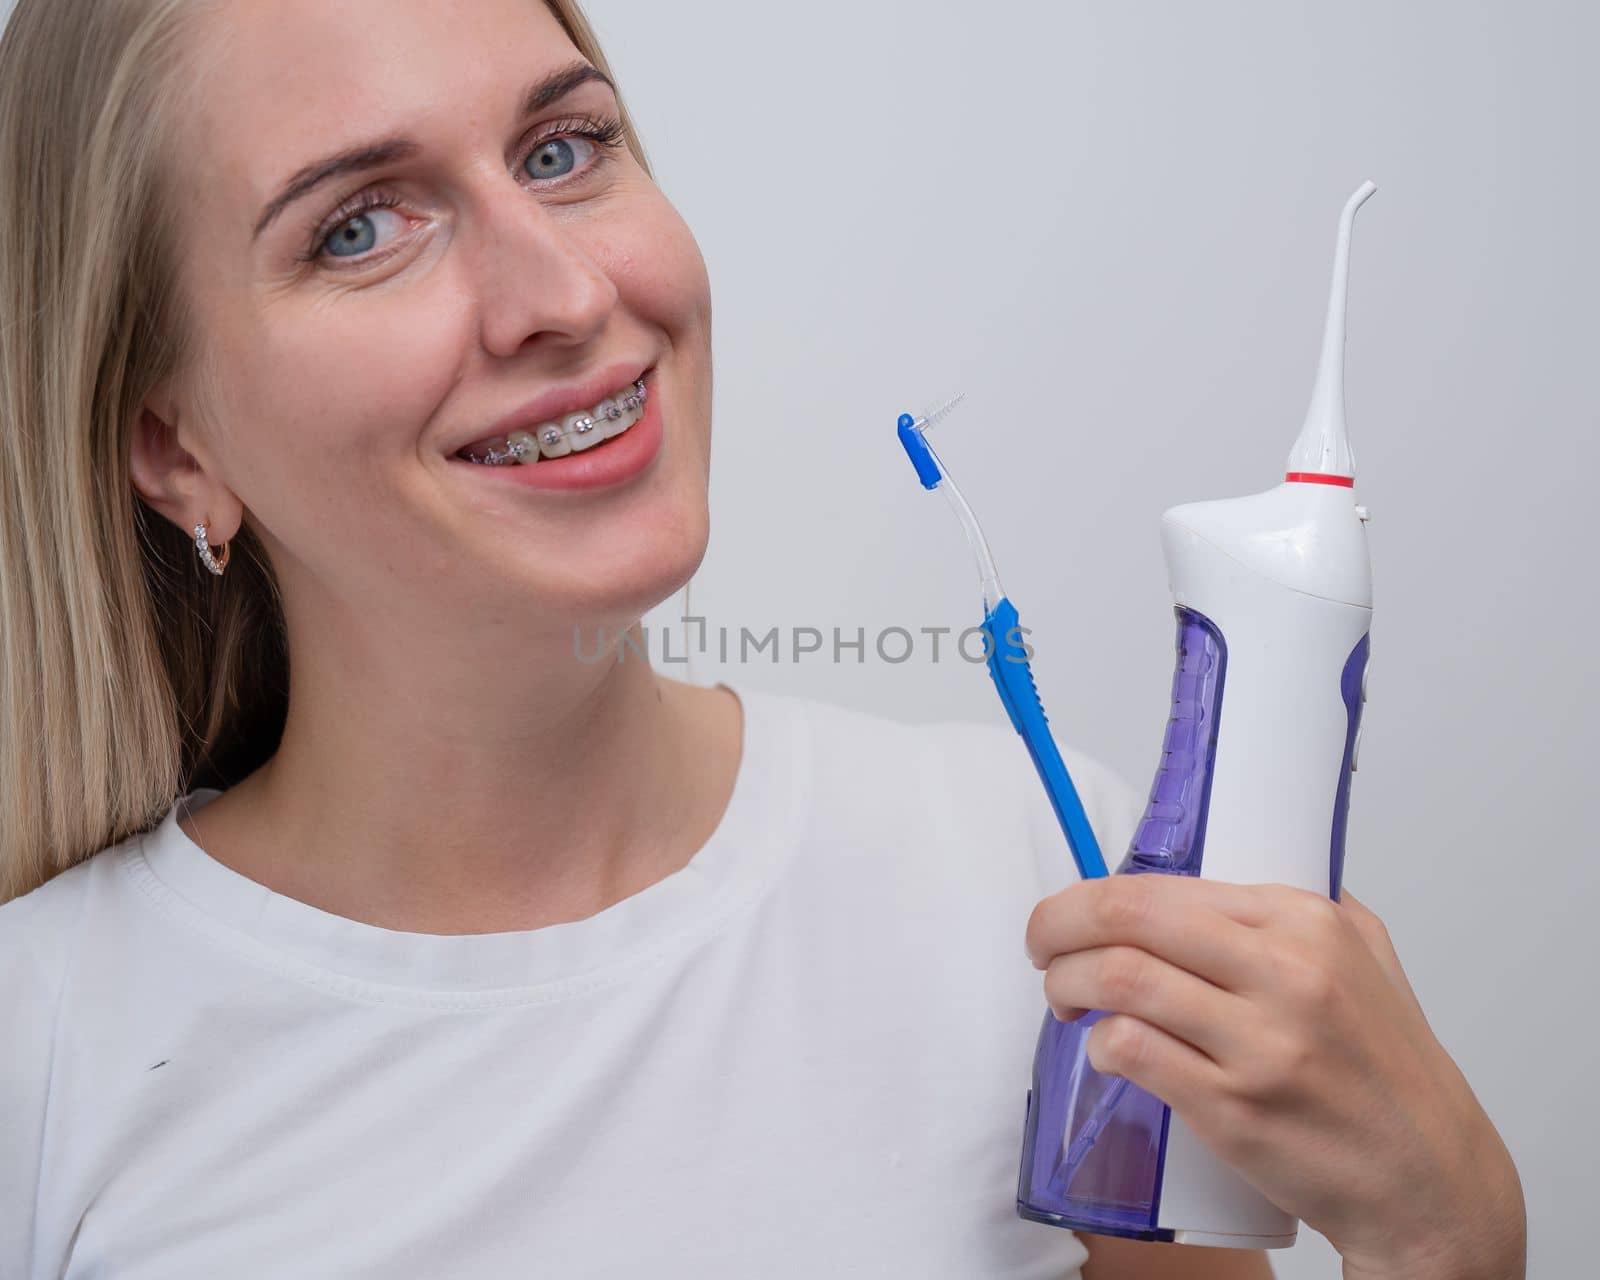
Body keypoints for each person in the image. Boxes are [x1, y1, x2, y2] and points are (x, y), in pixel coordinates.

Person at [0, 1, 1525, 1276]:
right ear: (172, 444)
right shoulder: (45, 1051)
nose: (568, 292)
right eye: (360, 228)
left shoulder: (1045, 889)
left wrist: (1447, 1227)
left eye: (563, 147)